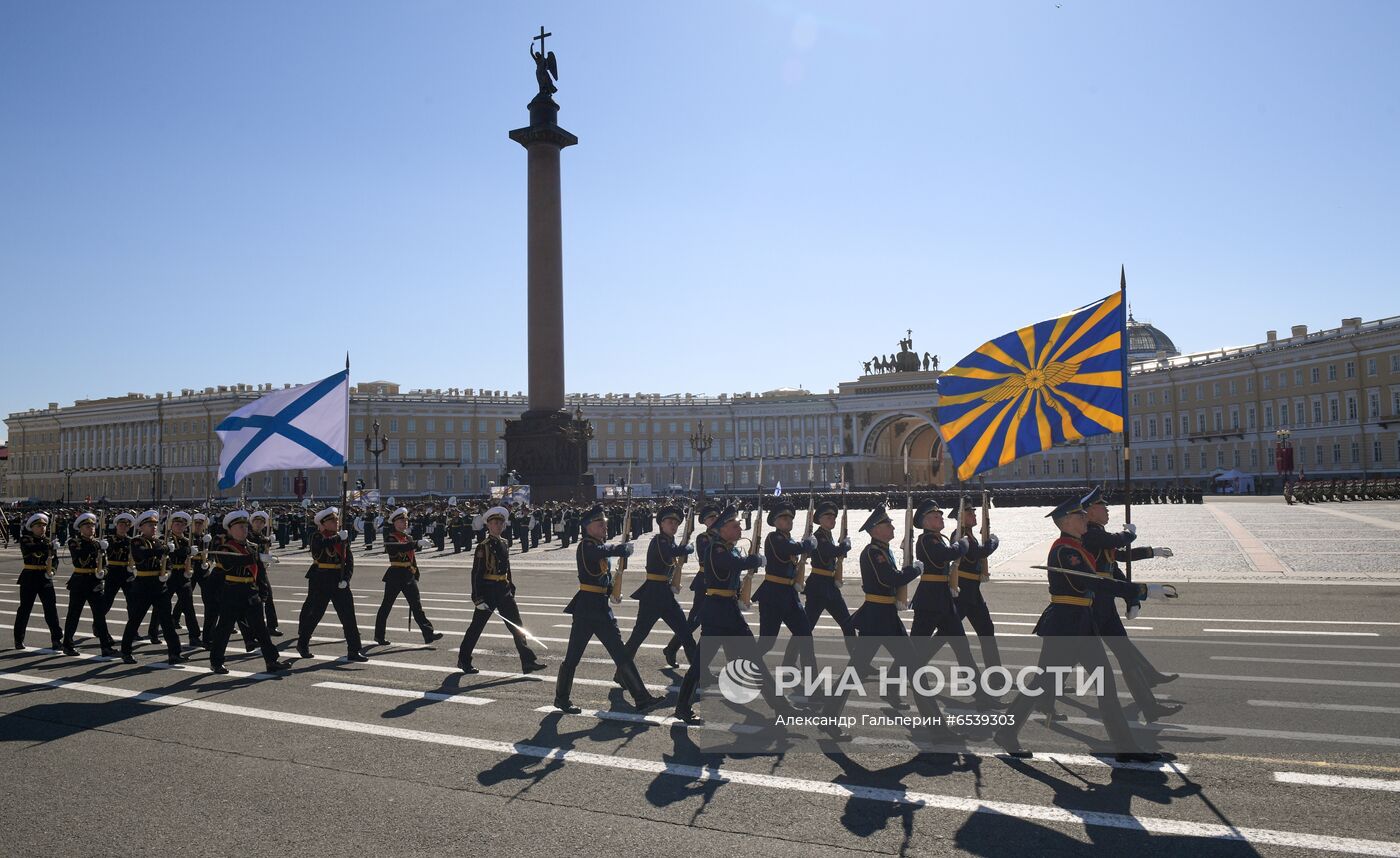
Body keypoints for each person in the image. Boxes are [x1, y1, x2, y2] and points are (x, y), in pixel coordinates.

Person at [993, 492, 1172, 764]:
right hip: (1066, 625)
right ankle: (1006, 732)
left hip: (1081, 624)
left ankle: (1125, 747)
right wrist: (1143, 590)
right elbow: (1094, 583)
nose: (1085, 518)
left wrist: (1134, 591)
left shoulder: (1078, 547)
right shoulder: (1065, 550)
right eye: (1080, 515)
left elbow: (1108, 572)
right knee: (1043, 682)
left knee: (1104, 685)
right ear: (1066, 522)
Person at [1081, 488, 1181, 720]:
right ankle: (1041, 698)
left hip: (1105, 605)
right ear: (1090, 511)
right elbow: (1116, 542)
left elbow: (1118, 560)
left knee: (1125, 654)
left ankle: (1149, 706)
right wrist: (1130, 534)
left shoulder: (1099, 533)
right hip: (1091, 605)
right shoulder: (1090, 534)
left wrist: (1150, 552)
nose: (1107, 510)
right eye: (1102, 506)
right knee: (1066, 658)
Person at [553, 505, 663, 714]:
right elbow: (599, 553)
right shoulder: (586, 546)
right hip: (587, 608)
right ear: (588, 527)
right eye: (599, 523)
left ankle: (641, 698)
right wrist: (618, 549)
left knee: (620, 653)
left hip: (600, 607)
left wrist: (613, 589)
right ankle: (561, 698)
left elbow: (602, 575)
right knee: (574, 656)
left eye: (604, 522)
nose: (605, 526)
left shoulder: (599, 546)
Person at [457, 506, 544, 674]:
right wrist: (477, 598)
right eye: (495, 523)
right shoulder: (483, 546)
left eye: (501, 523)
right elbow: (476, 573)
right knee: (476, 627)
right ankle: (463, 659)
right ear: (488, 526)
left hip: (503, 590)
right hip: (488, 590)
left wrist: (510, 586)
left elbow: (507, 568)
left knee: (517, 625)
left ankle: (528, 662)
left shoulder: (504, 543)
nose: (498, 526)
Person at [205, 509, 292, 675]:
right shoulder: (225, 548)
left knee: (261, 629)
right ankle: (216, 662)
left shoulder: (253, 547)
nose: (244, 529)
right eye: (239, 527)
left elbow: (258, 572)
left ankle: (271, 660)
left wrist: (263, 590)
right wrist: (256, 558)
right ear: (229, 530)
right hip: (232, 591)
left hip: (250, 591)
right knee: (224, 629)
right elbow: (232, 563)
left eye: (245, 526)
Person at [618, 503, 697, 673]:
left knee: (685, 633)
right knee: (638, 636)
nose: (673, 525)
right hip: (653, 595)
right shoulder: (659, 541)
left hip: (665, 594)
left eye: (676, 523)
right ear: (661, 524)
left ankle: (698, 672)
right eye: (669, 522)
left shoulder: (670, 540)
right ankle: (622, 672)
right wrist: (687, 548)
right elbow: (670, 552)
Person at [296, 506, 369, 662]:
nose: (336, 522)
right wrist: (339, 538)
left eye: (337, 519)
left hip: (338, 578)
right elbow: (319, 548)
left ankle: (354, 650)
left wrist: (346, 579)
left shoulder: (341, 537)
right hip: (321, 578)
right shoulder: (316, 536)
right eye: (332, 520)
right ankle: (302, 643)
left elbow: (349, 560)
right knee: (315, 614)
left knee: (348, 616)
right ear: (323, 523)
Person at [755, 499, 816, 670]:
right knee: (767, 642)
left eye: (790, 518)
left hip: (789, 595)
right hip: (773, 596)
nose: (788, 521)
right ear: (775, 522)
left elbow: (797, 551)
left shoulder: (790, 539)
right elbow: (791, 549)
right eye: (783, 518)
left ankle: (811, 678)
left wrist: (807, 549)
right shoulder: (774, 538)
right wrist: (807, 544)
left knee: (804, 634)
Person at [117, 510, 184, 665]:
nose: (154, 528)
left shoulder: (159, 542)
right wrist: (164, 549)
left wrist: (167, 572)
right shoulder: (136, 541)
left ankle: (175, 653)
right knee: (135, 620)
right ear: (141, 527)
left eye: (155, 525)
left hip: (159, 585)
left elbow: (168, 561)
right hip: (143, 585)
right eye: (150, 525)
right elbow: (142, 554)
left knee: (167, 621)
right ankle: (126, 651)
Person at [374, 507, 443, 646]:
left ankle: (428, 634)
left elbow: (412, 557)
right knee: (386, 606)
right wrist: (416, 543)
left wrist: (416, 573)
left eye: (405, 520)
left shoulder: (408, 537)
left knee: (417, 606)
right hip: (395, 575)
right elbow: (399, 548)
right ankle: (379, 635)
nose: (404, 523)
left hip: (408, 575)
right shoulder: (391, 537)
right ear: (394, 523)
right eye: (401, 521)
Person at [661, 503, 719, 667]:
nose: (714, 520)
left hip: (720, 585)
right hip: (705, 583)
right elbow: (708, 557)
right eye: (711, 518)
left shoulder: (723, 536)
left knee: (708, 623)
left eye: (716, 517)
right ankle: (674, 650)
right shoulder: (703, 538)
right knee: (694, 621)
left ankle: (674, 649)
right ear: (705, 522)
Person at [62, 512, 116, 656]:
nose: (91, 529)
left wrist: (103, 572)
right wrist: (98, 546)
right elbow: (79, 555)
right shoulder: (74, 542)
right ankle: (67, 644)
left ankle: (105, 646)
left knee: (99, 616)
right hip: (79, 581)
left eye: (92, 526)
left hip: (95, 582)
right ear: (80, 528)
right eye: (87, 526)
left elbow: (106, 565)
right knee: (74, 615)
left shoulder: (98, 543)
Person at [13, 512, 64, 651]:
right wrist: (49, 546)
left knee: (51, 609)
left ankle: (56, 639)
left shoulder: (48, 541)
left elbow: (55, 560)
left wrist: (52, 570)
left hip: (44, 577)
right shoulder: (26, 539)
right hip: (29, 577)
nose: (42, 529)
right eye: (38, 526)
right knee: (25, 609)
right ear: (32, 527)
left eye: (44, 526)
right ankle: (19, 638)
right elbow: (31, 549)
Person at [803, 501, 854, 636]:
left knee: (847, 623)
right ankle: (791, 657)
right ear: (820, 520)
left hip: (830, 586)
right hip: (818, 587)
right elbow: (831, 551)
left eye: (834, 518)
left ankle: (857, 656)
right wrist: (844, 546)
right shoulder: (819, 536)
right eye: (828, 518)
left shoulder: (828, 535)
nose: (832, 520)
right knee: (805, 628)